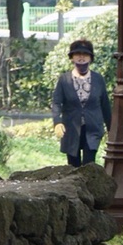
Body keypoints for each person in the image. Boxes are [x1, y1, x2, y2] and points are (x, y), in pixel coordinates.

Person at [51, 38, 112, 166]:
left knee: (89, 165)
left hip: (93, 128)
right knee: (73, 165)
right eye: (78, 54)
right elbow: (57, 102)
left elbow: (105, 105)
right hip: (71, 129)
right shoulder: (64, 79)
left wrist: (111, 129)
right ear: (72, 57)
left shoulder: (98, 79)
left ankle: (88, 186)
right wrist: (57, 122)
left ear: (90, 58)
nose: (81, 58)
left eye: (85, 55)